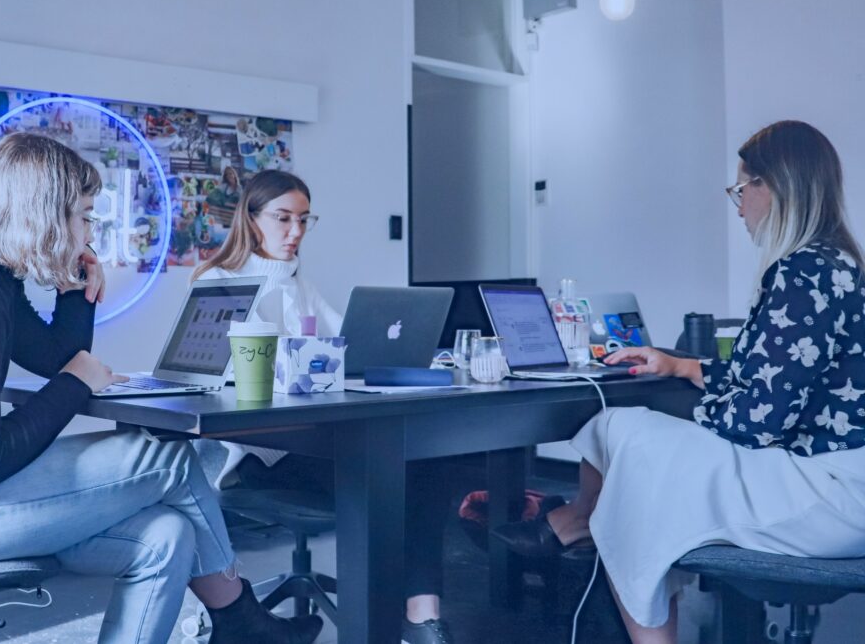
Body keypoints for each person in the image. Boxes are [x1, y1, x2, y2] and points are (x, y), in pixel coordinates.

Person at [0, 133, 322, 644]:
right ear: (46, 214)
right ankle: (243, 622)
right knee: (173, 460)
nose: (91, 230)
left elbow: (54, 357)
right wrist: (77, 383)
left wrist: (75, 293)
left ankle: (237, 625)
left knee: (167, 535)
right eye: (86, 216)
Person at [496, 120, 865, 643]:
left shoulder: (800, 273)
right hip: (839, 477)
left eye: (741, 189)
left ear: (775, 187)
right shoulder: (838, 264)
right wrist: (683, 367)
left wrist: (682, 416)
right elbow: (771, 377)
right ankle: (580, 521)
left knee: (634, 444)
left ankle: (579, 524)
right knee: (627, 438)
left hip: (826, 494)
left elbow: (755, 422)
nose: (738, 206)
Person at [192, 169, 457, 644]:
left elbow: (350, 347)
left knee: (424, 462)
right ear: (251, 220)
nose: (295, 232)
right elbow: (227, 383)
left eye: (303, 220)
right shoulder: (219, 282)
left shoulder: (302, 286)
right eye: (283, 219)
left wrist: (417, 354)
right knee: (399, 473)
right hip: (259, 455)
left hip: (317, 443)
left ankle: (423, 616)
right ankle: (400, 616)